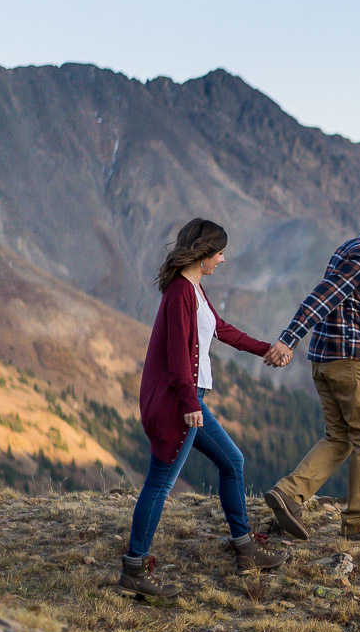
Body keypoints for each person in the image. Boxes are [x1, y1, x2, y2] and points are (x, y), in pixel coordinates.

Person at [121, 218, 290, 600]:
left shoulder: (193, 288)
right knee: (160, 483)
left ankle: (245, 547)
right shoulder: (181, 291)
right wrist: (188, 404)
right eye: (220, 253)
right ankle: (134, 568)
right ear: (203, 253)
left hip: (189, 399)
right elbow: (178, 354)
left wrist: (266, 349)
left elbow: (221, 328)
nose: (223, 260)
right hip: (180, 402)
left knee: (232, 462)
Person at [262, 200, 360, 544]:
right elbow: (324, 297)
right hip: (350, 362)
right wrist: (288, 339)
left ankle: (289, 494)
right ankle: (359, 523)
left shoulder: (349, 247)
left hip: (323, 361)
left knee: (340, 437)